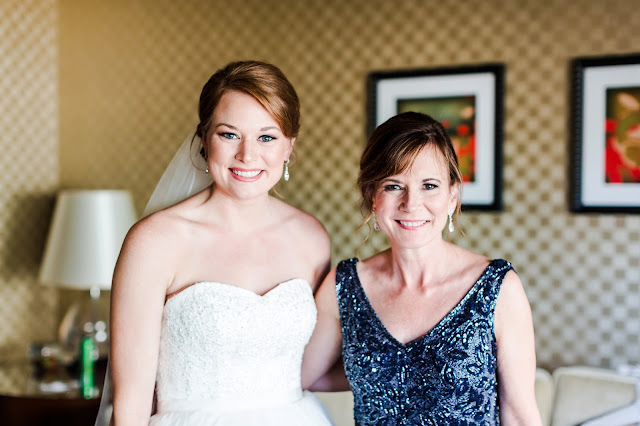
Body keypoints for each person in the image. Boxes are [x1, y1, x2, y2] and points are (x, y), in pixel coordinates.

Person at [98, 60, 333, 426]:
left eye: (266, 137)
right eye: (229, 134)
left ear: (289, 146)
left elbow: (315, 365)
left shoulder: (312, 238)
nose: (247, 155)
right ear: (204, 139)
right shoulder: (154, 242)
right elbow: (130, 404)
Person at [302, 112, 541, 424]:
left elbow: (520, 415)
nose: (411, 203)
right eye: (393, 186)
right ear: (372, 196)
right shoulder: (343, 287)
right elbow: (301, 377)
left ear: (452, 196)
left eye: (429, 185)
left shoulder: (498, 288)